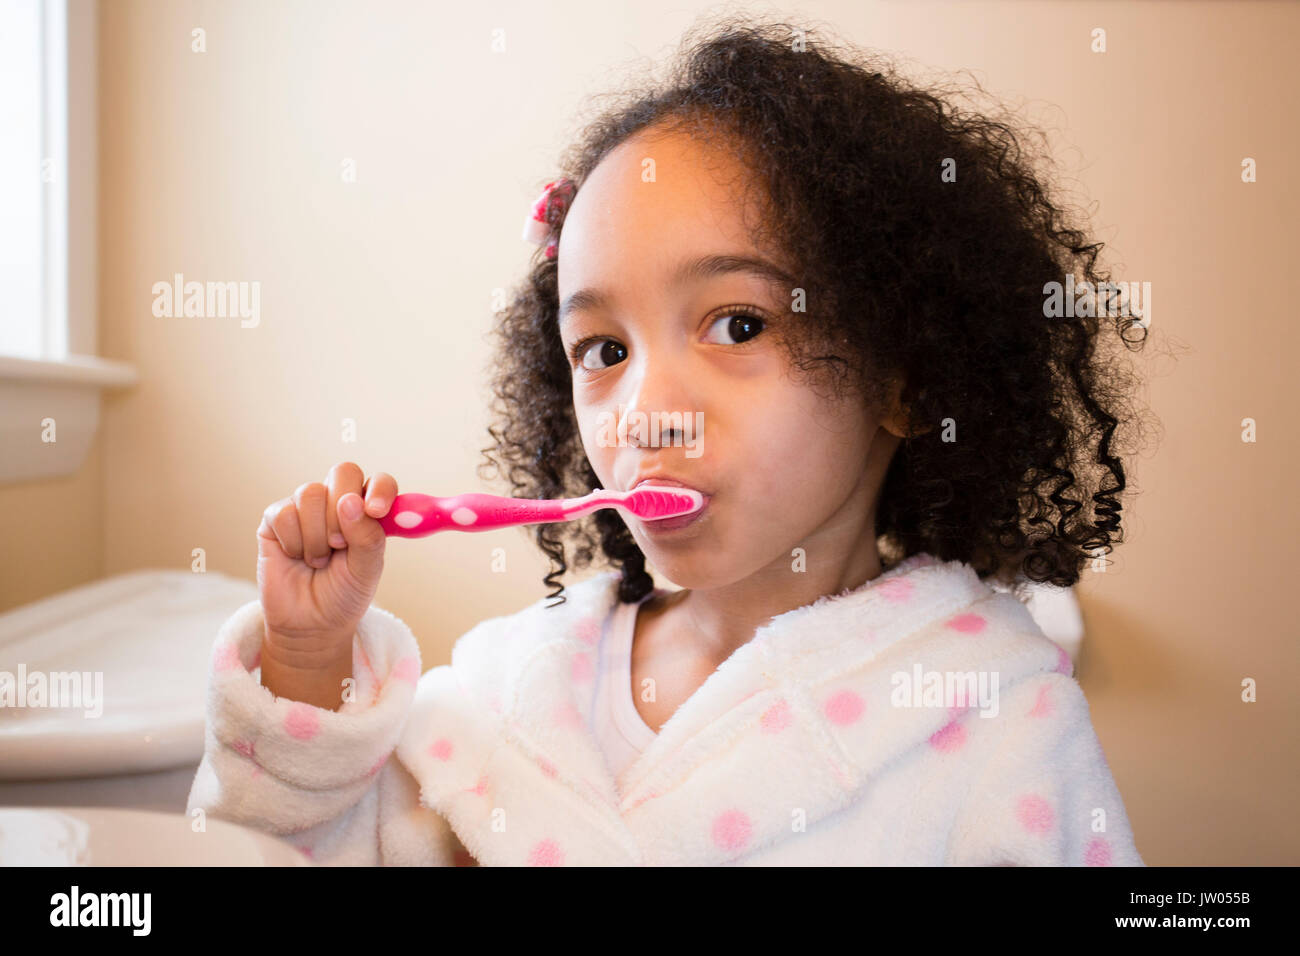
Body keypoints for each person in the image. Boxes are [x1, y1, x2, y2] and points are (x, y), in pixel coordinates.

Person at [188, 16, 1149, 866]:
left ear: (903, 376)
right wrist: (306, 663)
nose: (645, 412)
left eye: (737, 325)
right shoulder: (500, 700)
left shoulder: (999, 730)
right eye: (603, 348)